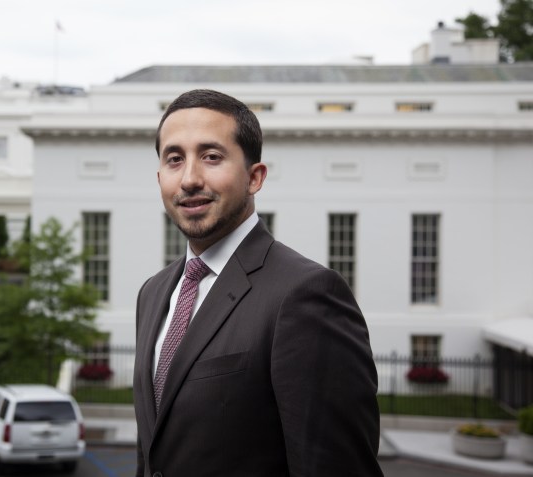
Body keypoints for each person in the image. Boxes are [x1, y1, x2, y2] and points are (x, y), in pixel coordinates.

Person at [133, 89, 383, 477]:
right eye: (175, 159)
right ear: (160, 176)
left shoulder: (306, 295)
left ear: (255, 177)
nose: (190, 179)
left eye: (212, 157)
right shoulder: (153, 293)